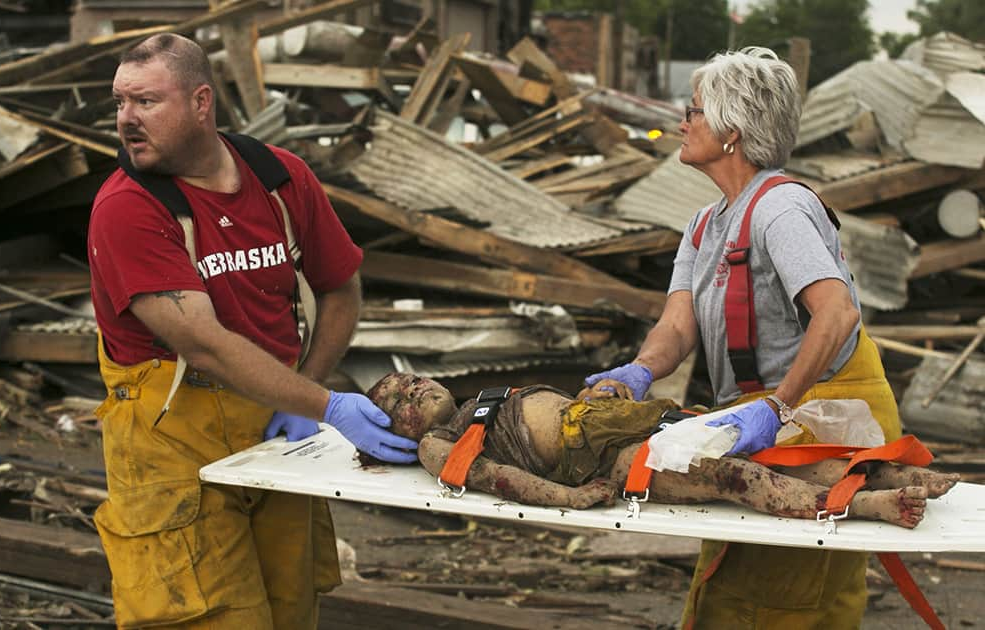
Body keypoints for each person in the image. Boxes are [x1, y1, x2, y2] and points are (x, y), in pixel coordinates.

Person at [87, 33, 417, 628]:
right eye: (119, 103)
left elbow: (341, 286)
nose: (126, 120)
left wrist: (308, 394)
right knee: (210, 617)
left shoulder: (278, 178)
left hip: (274, 428)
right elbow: (203, 345)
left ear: (201, 102)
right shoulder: (128, 208)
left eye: (145, 102)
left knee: (292, 607)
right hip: (170, 445)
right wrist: (328, 404)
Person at [585, 47, 906, 628]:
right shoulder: (704, 224)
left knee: (785, 595)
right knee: (735, 573)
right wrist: (637, 370)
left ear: (732, 131)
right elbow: (678, 325)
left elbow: (836, 315)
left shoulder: (781, 209)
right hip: (768, 416)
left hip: (830, 416)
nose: (683, 122)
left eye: (696, 111)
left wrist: (777, 407)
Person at [366, 372, 956, 527]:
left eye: (411, 379)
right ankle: (865, 505)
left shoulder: (485, 400)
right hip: (605, 462)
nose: (413, 388)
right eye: (400, 399)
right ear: (401, 429)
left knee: (774, 453)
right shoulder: (440, 446)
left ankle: (896, 478)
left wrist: (610, 389)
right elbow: (499, 479)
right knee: (735, 477)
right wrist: (571, 498)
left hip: (628, 423)